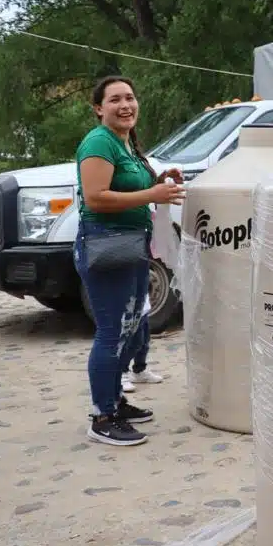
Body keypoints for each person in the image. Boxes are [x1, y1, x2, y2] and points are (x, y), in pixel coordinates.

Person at [75, 75, 185, 446]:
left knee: (128, 327)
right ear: (98, 108)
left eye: (130, 98)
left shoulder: (124, 143)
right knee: (111, 331)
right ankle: (101, 416)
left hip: (132, 246)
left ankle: (116, 401)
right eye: (115, 99)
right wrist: (151, 193)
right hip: (107, 247)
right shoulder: (98, 142)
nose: (126, 105)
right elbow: (96, 198)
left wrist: (161, 181)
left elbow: (133, 187)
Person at [121, 294, 163, 393]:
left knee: (144, 342)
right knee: (134, 343)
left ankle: (139, 370)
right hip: (131, 307)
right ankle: (121, 373)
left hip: (142, 307)